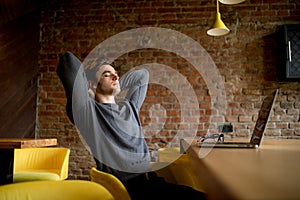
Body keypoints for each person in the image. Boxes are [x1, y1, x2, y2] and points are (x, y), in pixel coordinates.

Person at [57, 51, 206, 200]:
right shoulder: (88, 113)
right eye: (107, 75)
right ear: (91, 84)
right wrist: (91, 90)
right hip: (132, 189)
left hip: (152, 180)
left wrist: (112, 81)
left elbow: (142, 75)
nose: (116, 76)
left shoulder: (130, 106)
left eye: (116, 74)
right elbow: (68, 62)